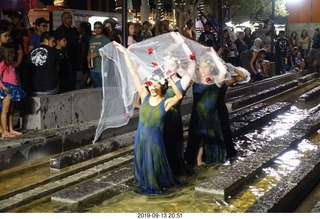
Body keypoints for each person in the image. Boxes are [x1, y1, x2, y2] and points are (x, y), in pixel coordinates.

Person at [116, 42, 183, 194]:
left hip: (155, 140)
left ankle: (156, 185)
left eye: (155, 85)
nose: (152, 87)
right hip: (141, 137)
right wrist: (125, 53)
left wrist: (169, 77)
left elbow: (178, 95)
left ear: (161, 87)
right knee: (141, 164)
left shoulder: (165, 103)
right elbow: (133, 73)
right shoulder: (144, 96)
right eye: (150, 84)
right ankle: (143, 183)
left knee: (155, 165)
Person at [184, 55, 226, 166]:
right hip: (197, 115)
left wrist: (213, 53)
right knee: (198, 139)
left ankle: (211, 161)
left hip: (210, 115)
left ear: (211, 68)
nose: (203, 69)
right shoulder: (195, 80)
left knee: (209, 139)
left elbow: (223, 71)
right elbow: (183, 70)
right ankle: (198, 160)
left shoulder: (216, 80)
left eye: (206, 67)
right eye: (201, 67)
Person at [162, 44, 196, 176]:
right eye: (166, 65)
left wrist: (182, 44)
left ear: (177, 66)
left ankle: (174, 171)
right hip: (159, 118)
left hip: (173, 119)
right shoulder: (160, 82)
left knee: (172, 145)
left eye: (171, 65)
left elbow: (192, 63)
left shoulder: (182, 82)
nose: (168, 68)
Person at [0, 43, 26, 138]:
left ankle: (11, 129)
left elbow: (18, 64)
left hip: (13, 88)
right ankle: (4, 130)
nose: (13, 54)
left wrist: (20, 54)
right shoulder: (3, 63)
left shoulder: (11, 63)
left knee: (11, 110)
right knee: (5, 110)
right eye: (12, 53)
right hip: (7, 88)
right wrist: (3, 87)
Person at [25, 32, 60, 96]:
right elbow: (57, 70)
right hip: (50, 89)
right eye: (53, 41)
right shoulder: (54, 52)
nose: (54, 44)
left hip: (33, 89)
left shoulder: (30, 53)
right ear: (46, 41)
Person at [54, 12, 79, 91]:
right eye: (67, 18)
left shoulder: (73, 30)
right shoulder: (59, 31)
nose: (70, 19)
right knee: (66, 81)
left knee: (73, 80)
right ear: (63, 19)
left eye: (70, 17)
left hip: (74, 58)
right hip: (64, 59)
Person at [88, 21, 110, 88]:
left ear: (102, 28)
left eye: (99, 28)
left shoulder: (105, 39)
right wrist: (88, 62)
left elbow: (109, 52)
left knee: (101, 88)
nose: (97, 29)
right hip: (93, 69)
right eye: (95, 27)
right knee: (96, 88)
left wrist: (97, 54)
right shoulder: (91, 40)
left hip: (102, 69)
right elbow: (89, 53)